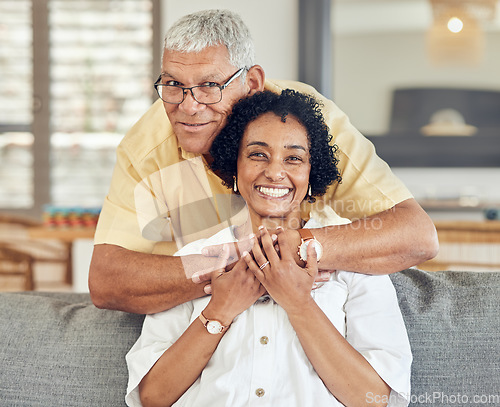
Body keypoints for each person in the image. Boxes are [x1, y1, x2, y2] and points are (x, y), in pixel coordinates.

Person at [89, 9, 438, 314]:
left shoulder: (309, 124)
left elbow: (416, 235)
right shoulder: (146, 147)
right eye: (173, 84)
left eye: (210, 85)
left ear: (252, 82)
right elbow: (106, 279)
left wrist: (296, 246)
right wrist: (238, 261)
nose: (188, 106)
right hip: (193, 316)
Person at [125, 90, 412, 407]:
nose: (275, 172)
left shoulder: (352, 260)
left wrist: (298, 303)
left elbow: (375, 399)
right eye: (258, 154)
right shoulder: (197, 258)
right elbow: (152, 397)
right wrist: (221, 309)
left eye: (293, 158)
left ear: (310, 172)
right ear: (234, 167)